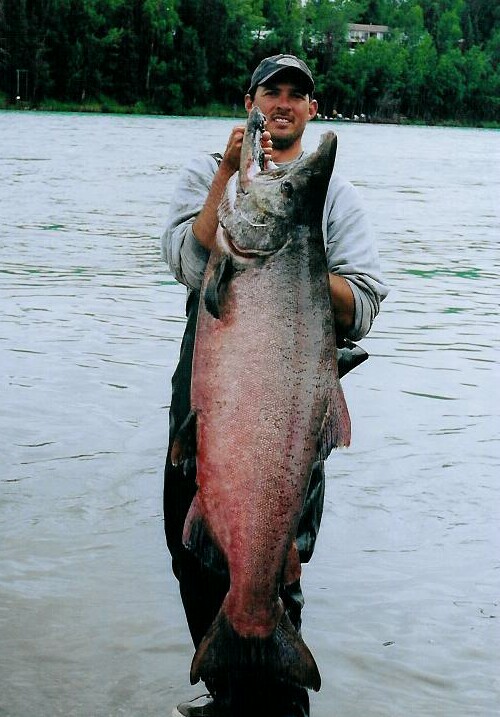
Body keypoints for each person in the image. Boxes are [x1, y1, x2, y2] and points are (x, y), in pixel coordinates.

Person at [161, 54, 389, 717]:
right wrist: (232, 179)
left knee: (270, 573)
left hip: (286, 417)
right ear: (249, 101)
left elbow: (367, 300)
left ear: (312, 110)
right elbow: (187, 258)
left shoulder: (335, 200)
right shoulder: (210, 175)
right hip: (203, 409)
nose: (283, 103)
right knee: (191, 559)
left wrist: (293, 259)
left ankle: (277, 698)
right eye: (272, 91)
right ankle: (229, 693)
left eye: (297, 94)